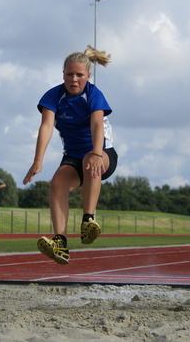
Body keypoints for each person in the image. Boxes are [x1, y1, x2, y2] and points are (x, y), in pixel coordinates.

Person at [23, 46, 118, 265]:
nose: (73, 79)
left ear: (88, 76)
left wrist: (96, 152)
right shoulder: (53, 96)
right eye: (69, 74)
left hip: (102, 154)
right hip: (73, 157)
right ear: (63, 74)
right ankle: (60, 243)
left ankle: (88, 221)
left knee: (89, 161)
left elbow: (97, 124)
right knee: (57, 183)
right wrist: (38, 161)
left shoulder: (93, 94)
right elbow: (46, 127)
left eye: (79, 75)